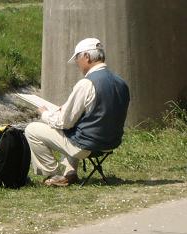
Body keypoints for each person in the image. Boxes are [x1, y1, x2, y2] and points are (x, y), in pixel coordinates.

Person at [24, 38, 130, 186]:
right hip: (110, 143)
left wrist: (44, 114)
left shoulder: (86, 83)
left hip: (87, 145)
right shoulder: (121, 82)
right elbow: (102, 112)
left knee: (32, 130)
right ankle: (70, 173)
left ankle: (53, 175)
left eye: (77, 58)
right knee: (73, 129)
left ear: (86, 56)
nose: (77, 63)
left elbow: (64, 123)